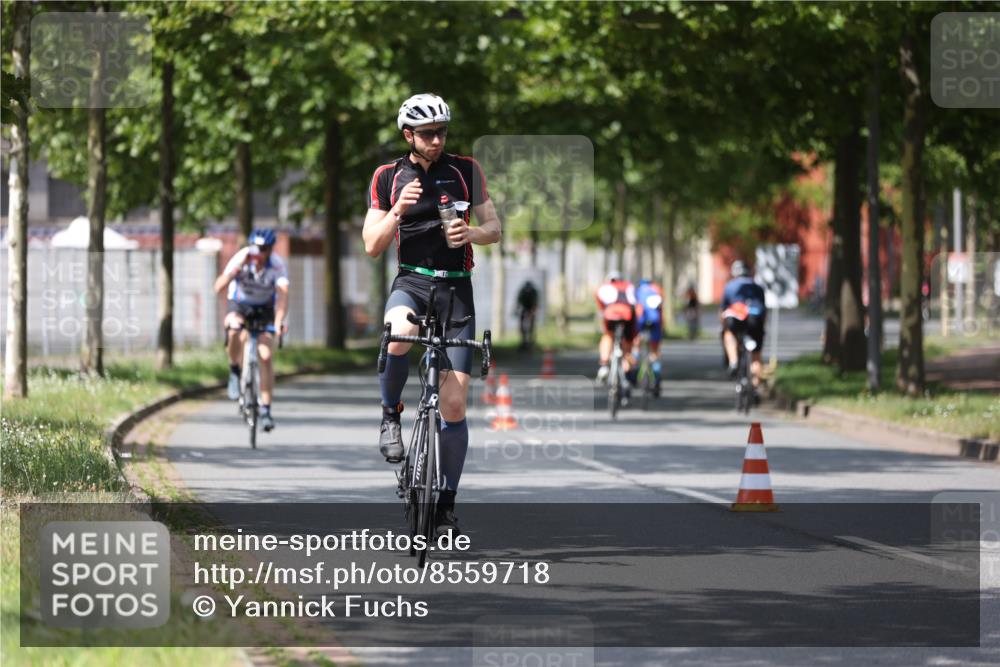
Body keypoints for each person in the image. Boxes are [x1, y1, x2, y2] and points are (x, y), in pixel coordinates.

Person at [363, 93, 501, 537]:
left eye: (441, 131)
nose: (436, 140)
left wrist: (471, 233)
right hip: (413, 281)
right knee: (399, 332)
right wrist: (398, 210)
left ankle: (445, 503)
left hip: (456, 290)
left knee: (455, 405)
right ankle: (390, 415)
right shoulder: (387, 176)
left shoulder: (466, 171)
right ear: (409, 136)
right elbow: (372, 244)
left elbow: (495, 229)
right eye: (427, 133)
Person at [214, 228, 289, 432]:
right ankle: (234, 371)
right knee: (234, 329)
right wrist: (232, 274)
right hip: (240, 304)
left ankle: (265, 409)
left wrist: (280, 321)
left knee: (265, 356)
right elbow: (218, 288)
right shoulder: (241, 259)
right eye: (255, 248)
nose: (258, 253)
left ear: (270, 250)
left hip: (264, 307)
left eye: (263, 249)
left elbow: (282, 297)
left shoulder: (277, 264)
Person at [720, 260, 766, 388]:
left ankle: (733, 362)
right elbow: (764, 311)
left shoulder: (730, 286)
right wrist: (762, 328)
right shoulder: (758, 287)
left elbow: (723, 311)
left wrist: (724, 327)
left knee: (729, 335)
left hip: (736, 319)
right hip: (755, 319)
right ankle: (755, 387)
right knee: (756, 356)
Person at [595, 271, 637, 387]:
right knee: (627, 341)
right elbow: (635, 303)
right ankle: (627, 364)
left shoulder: (604, 287)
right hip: (627, 315)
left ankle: (604, 364)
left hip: (610, 314)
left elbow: (600, 303)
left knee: (608, 335)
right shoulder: (629, 286)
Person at [635, 278, 664, 394]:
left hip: (640, 322)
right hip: (655, 322)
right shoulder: (657, 290)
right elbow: (661, 311)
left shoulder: (637, 291)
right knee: (655, 351)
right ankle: (656, 378)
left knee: (636, 345)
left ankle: (634, 369)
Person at [515, 280, 539, 350]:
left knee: (531, 326)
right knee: (522, 326)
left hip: (531, 308)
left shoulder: (534, 292)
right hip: (524, 308)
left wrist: (532, 312)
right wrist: (517, 310)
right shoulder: (522, 291)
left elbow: (535, 302)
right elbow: (519, 301)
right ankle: (523, 341)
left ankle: (531, 341)